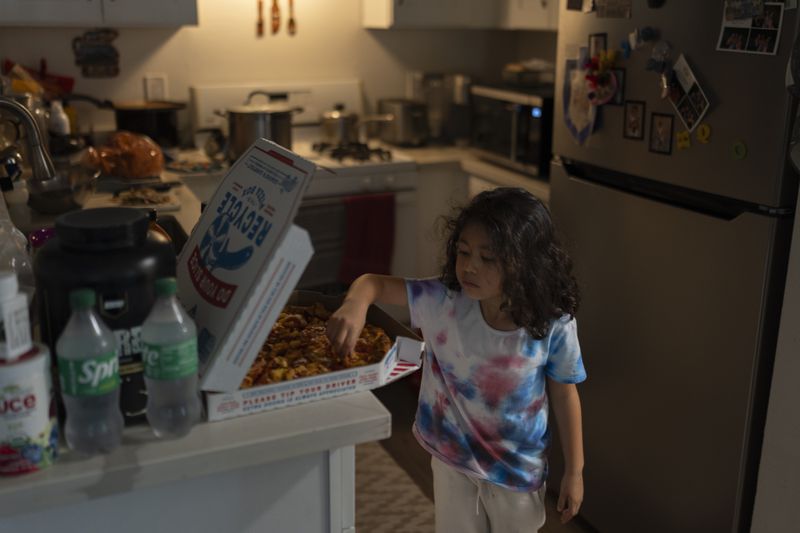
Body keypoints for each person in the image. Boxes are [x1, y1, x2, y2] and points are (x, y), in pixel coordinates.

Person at [327, 188, 586, 532]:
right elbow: (372, 284)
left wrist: (575, 471)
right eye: (463, 252)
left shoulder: (554, 324)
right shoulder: (443, 301)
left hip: (517, 471)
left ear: (525, 263)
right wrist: (354, 305)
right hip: (452, 458)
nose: (469, 266)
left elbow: (565, 394)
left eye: (487, 258)